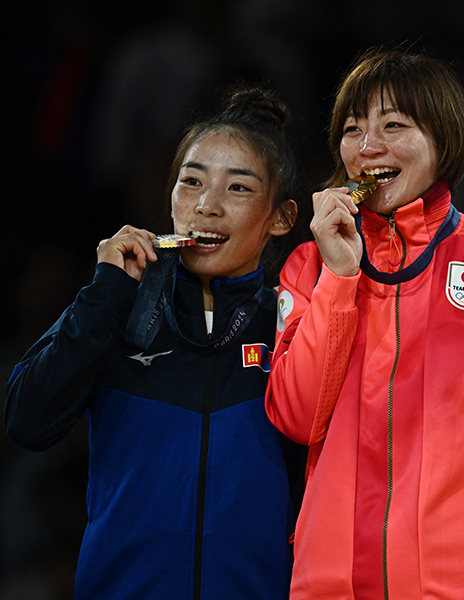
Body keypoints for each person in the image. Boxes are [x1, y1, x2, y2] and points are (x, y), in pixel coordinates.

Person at [5, 87, 301, 599]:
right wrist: (102, 296)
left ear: (281, 218)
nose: (206, 207)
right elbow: (26, 422)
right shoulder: (116, 304)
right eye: (191, 182)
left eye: (238, 189)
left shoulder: (299, 325)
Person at [264, 48, 464, 599]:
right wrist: (339, 277)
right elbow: (297, 418)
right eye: (353, 130)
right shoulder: (310, 266)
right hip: (330, 584)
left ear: (442, 139)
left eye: (394, 126)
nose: (368, 147)